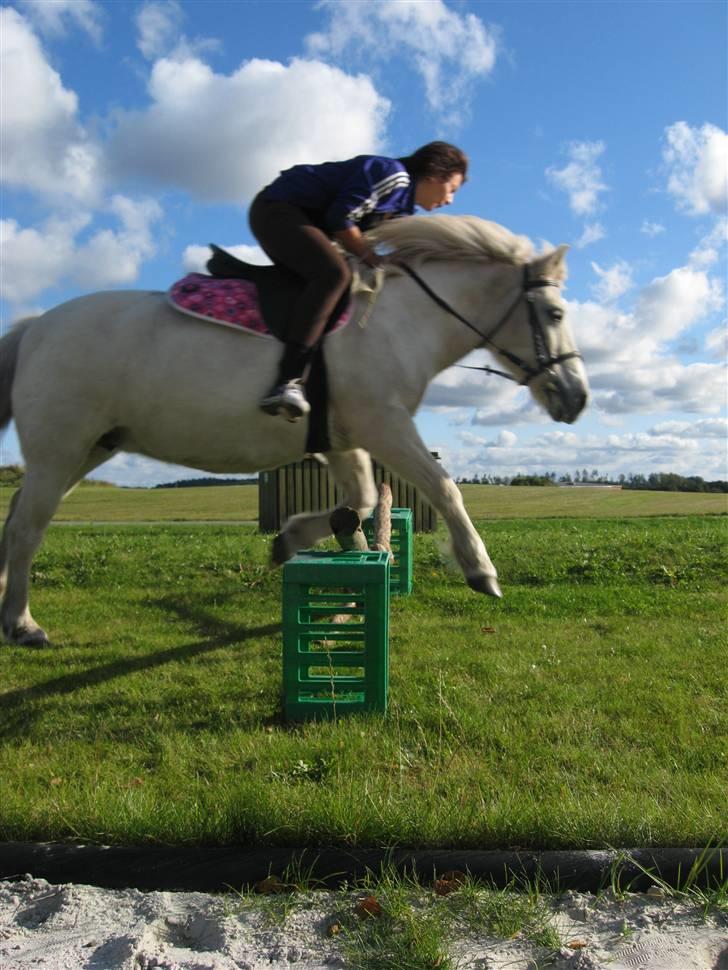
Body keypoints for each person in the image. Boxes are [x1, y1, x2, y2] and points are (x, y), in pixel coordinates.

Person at [249, 141, 468, 420]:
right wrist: (369, 255)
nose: (449, 200)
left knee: (351, 280)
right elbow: (341, 218)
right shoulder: (393, 175)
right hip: (278, 208)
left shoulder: (403, 208)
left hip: (307, 221)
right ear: (435, 174)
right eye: (452, 189)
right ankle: (288, 380)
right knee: (333, 275)